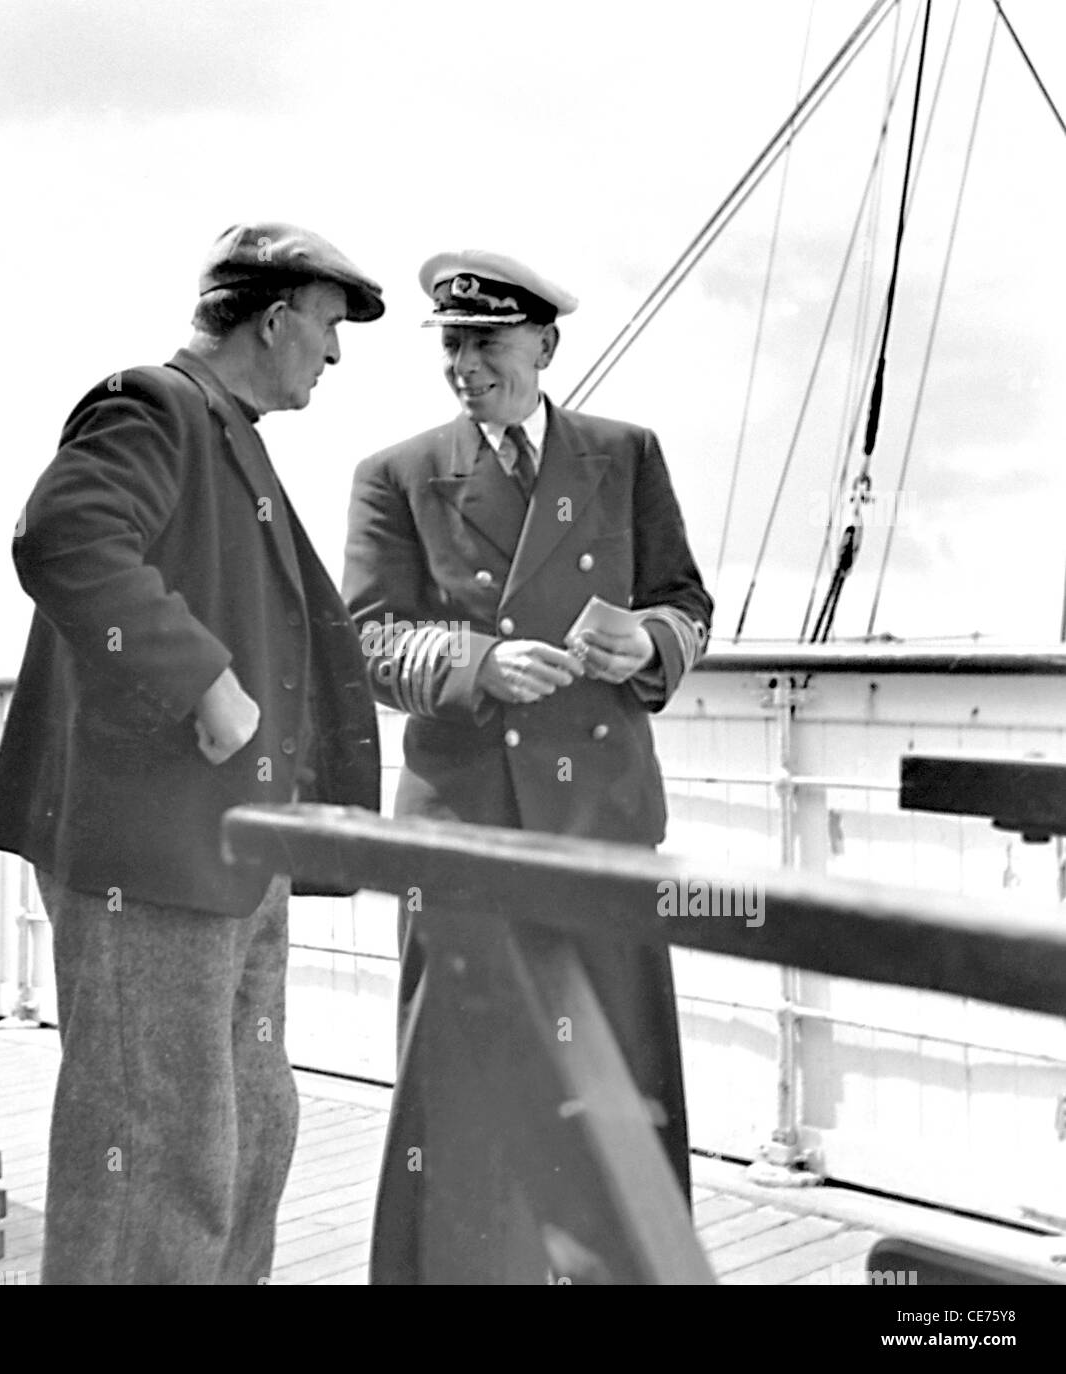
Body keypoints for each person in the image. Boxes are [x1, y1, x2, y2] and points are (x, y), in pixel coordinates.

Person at [0, 222, 384, 1285]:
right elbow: (61, 537)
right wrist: (202, 680)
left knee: (251, 1130)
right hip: (149, 857)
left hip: (236, 854)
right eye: (330, 328)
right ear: (276, 316)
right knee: (157, 1147)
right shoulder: (153, 403)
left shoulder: (225, 430)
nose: (334, 356)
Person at [342, 249, 713, 1283]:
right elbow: (367, 640)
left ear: (544, 347)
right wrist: (478, 662)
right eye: (452, 347)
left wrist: (647, 642)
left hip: (600, 819)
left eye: (487, 346)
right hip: (468, 826)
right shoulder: (398, 474)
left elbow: (687, 603)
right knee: (457, 1085)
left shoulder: (624, 455)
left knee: (618, 1078)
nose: (465, 368)